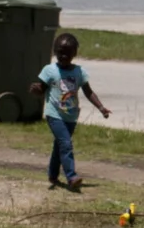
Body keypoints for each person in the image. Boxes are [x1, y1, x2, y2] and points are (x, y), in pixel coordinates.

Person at [31, 30, 111, 190]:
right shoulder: (50, 70)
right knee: (66, 144)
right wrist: (36, 89)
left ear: (75, 53)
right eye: (60, 53)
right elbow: (41, 88)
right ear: (55, 52)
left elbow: (88, 92)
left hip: (71, 116)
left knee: (59, 146)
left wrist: (101, 107)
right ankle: (71, 176)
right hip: (54, 115)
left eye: (68, 54)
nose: (64, 57)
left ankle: (53, 175)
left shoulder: (79, 72)